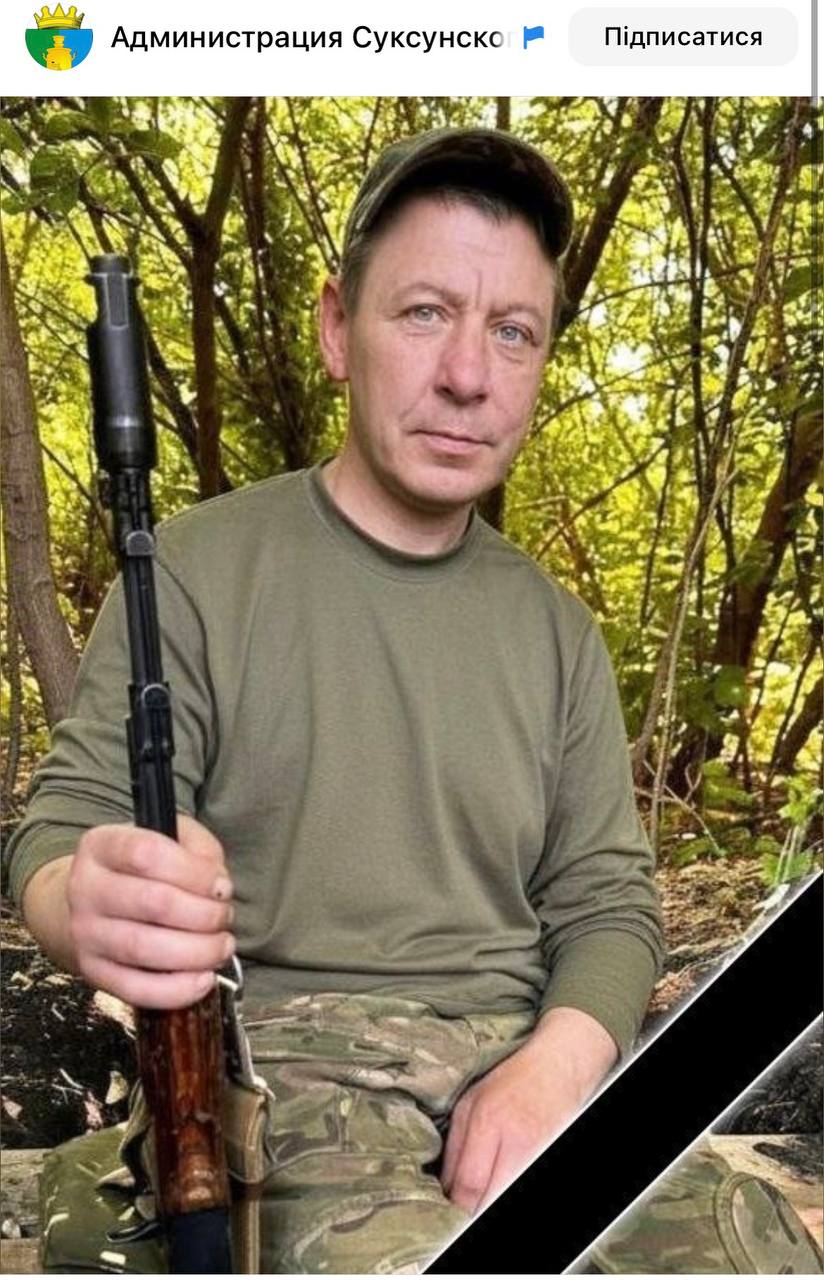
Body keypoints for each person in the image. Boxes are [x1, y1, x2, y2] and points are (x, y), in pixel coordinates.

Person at [8, 127, 664, 1273]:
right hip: (289, 1071)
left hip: (515, 1063)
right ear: (333, 329)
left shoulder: (555, 632)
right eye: (424, 313)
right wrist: (90, 898)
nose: (467, 374)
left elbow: (609, 904)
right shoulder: (196, 571)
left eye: (512, 331)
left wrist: (551, 1068)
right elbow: (62, 832)